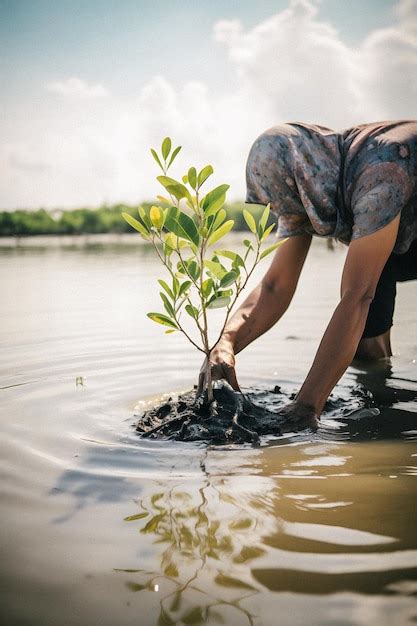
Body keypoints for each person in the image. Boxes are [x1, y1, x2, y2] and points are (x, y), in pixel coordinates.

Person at [198, 120, 417, 429]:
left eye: (282, 199)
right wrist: (226, 341)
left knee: (359, 298)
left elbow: (357, 297)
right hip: (403, 233)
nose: (282, 211)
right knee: (366, 353)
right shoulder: (314, 181)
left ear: (299, 179)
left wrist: (306, 406)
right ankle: (385, 406)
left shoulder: (381, 172)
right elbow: (275, 287)